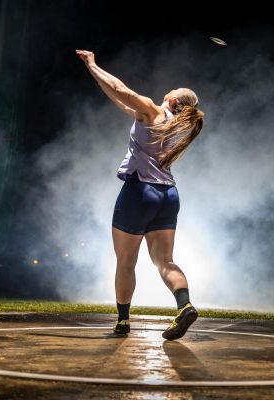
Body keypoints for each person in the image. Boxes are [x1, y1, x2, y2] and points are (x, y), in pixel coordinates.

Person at [76, 49, 204, 340]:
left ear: (173, 101)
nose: (168, 90)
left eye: (172, 90)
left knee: (126, 261)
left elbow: (121, 89)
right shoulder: (179, 125)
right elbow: (119, 97)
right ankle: (185, 306)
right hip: (168, 195)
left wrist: (92, 64)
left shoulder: (153, 110)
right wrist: (99, 79)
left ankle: (123, 321)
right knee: (165, 261)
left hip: (140, 192)